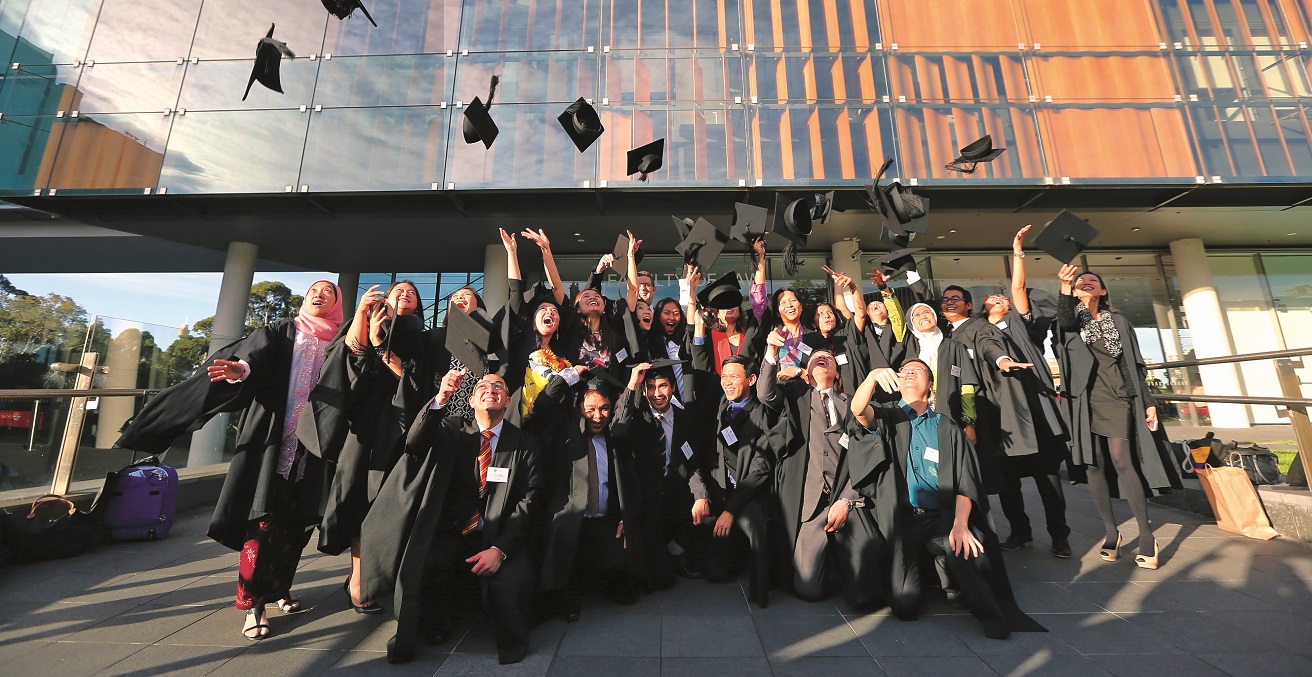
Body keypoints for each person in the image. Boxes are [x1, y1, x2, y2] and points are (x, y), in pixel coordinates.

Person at [115, 281, 344, 641]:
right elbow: (251, 357)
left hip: (314, 448)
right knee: (261, 521)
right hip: (271, 440)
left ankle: (280, 588)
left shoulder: (340, 340)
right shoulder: (282, 332)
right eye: (314, 290)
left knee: (297, 524)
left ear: (336, 304)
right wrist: (240, 371)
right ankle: (253, 604)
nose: (319, 296)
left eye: (328, 294)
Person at [848, 361, 1045, 639]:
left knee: (966, 544)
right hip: (901, 520)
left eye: (918, 370)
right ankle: (941, 573)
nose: (909, 372)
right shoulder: (887, 417)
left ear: (931, 385)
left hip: (940, 518)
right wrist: (871, 378)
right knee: (905, 606)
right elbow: (859, 410)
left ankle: (987, 613)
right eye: (905, 369)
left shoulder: (948, 428)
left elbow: (966, 482)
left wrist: (960, 524)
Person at [359, 371, 542, 665]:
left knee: (509, 587)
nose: (491, 389)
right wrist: (441, 398)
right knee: (429, 564)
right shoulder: (453, 429)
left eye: (499, 387)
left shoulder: (525, 444)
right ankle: (439, 622)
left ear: (508, 401)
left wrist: (500, 550)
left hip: (500, 536)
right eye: (483, 385)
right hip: (457, 531)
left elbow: (528, 501)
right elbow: (415, 443)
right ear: (470, 400)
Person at [1054, 264, 1182, 569]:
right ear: (1073, 291)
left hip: (1118, 396)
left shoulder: (1120, 321)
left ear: (1103, 290)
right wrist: (1063, 288)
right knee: (1094, 465)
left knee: (1122, 459)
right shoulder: (1069, 323)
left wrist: (1149, 402)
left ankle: (1147, 535)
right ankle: (1111, 533)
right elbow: (1064, 320)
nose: (1086, 283)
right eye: (1080, 281)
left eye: (1092, 281)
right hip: (1083, 400)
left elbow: (1135, 365)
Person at [312, 280, 426, 614]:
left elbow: (413, 382)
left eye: (412, 293)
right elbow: (347, 363)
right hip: (363, 427)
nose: (405, 295)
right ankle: (358, 579)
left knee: (390, 504)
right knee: (359, 500)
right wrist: (364, 318)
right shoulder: (367, 322)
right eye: (398, 291)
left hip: (401, 428)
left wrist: (380, 345)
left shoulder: (422, 337)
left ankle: (383, 575)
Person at [757, 346, 881, 608]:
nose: (823, 359)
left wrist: (847, 500)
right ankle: (829, 564)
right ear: (807, 373)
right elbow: (765, 393)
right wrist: (771, 352)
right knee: (809, 588)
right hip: (810, 501)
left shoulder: (852, 405)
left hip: (846, 498)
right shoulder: (795, 397)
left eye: (829, 358)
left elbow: (864, 456)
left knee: (865, 593)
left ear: (837, 374)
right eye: (815, 358)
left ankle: (847, 569)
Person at [977, 225, 1074, 557]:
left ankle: (1059, 535)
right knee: (1008, 483)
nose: (1001, 297)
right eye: (993, 298)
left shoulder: (1022, 325)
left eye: (1003, 296)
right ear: (984, 310)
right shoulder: (981, 334)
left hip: (1036, 409)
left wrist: (1017, 250)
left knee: (1049, 479)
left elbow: (1018, 285)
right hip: (1005, 415)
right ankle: (1021, 532)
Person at [537, 370, 643, 622]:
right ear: (579, 408)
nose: (598, 416)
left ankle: (597, 581)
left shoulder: (614, 437)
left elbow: (630, 484)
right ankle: (569, 595)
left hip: (603, 519)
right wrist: (569, 376)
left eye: (605, 409)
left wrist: (624, 518)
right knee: (565, 553)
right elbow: (543, 408)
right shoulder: (567, 432)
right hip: (570, 517)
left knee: (621, 568)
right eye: (591, 409)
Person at [689, 325, 777, 607]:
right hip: (719, 490)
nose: (727, 382)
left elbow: (760, 469)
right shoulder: (718, 407)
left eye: (734, 377)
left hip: (748, 493)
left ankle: (761, 591)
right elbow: (700, 369)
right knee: (716, 572)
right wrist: (702, 495)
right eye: (724, 376)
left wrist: (730, 510)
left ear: (751, 379)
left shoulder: (762, 412)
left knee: (756, 528)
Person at [612, 362, 714, 586]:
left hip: (673, 494)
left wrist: (701, 496)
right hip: (646, 501)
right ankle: (665, 553)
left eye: (662, 386)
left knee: (706, 510)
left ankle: (677, 549)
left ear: (673, 388)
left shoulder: (685, 419)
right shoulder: (638, 419)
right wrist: (632, 384)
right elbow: (618, 432)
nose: (656, 394)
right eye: (650, 387)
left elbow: (692, 462)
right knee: (660, 580)